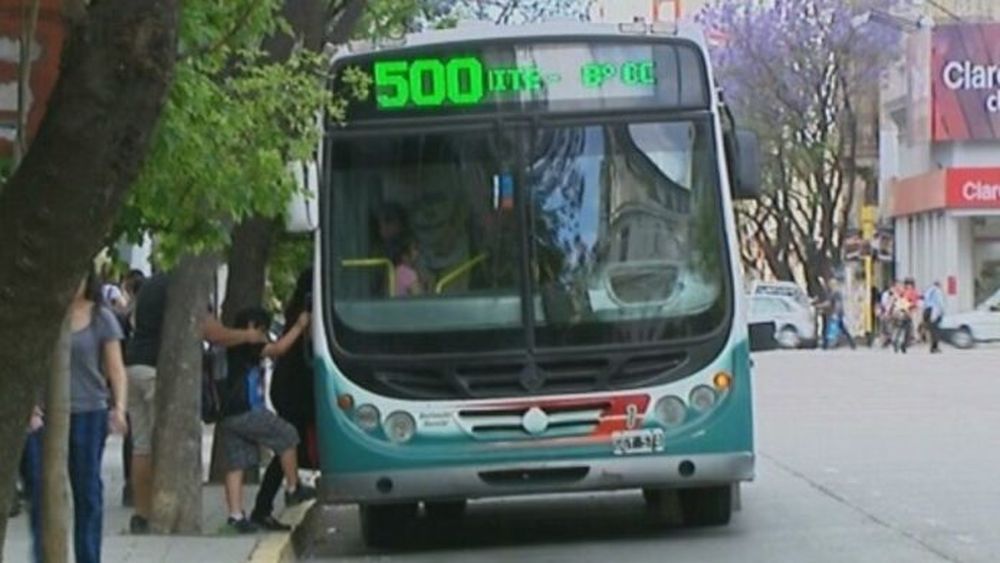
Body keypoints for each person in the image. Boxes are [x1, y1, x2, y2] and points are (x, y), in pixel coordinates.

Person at [126, 273, 268, 534]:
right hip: (159, 370)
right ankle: (167, 511)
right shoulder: (187, 283)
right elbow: (211, 332)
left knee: (142, 447)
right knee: (167, 444)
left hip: (134, 365)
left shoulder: (150, 286)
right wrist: (247, 336)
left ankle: (141, 514)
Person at [24, 270, 129, 563]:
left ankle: (88, 557)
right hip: (44, 416)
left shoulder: (101, 318)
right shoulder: (44, 317)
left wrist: (119, 407)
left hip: (88, 412)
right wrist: (30, 404)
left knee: (87, 491)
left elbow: (116, 369)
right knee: (41, 491)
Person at [218, 307, 316, 533]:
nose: (264, 335)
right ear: (252, 326)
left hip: (228, 414)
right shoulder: (249, 343)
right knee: (288, 435)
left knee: (236, 464)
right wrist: (299, 326)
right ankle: (293, 488)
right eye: (263, 330)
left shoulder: (230, 346)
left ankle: (235, 516)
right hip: (249, 410)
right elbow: (278, 349)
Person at [250, 268, 319, 530]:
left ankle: (280, 494)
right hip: (295, 389)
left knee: (289, 444)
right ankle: (278, 497)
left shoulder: (295, 312)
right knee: (287, 443)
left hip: (289, 387)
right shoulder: (304, 316)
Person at [923, 280, 946, 354]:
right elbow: (940, 302)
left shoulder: (928, 291)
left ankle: (932, 346)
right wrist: (942, 311)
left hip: (927, 311)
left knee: (931, 330)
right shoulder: (937, 291)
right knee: (935, 329)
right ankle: (934, 347)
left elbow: (924, 301)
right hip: (934, 311)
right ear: (938, 285)